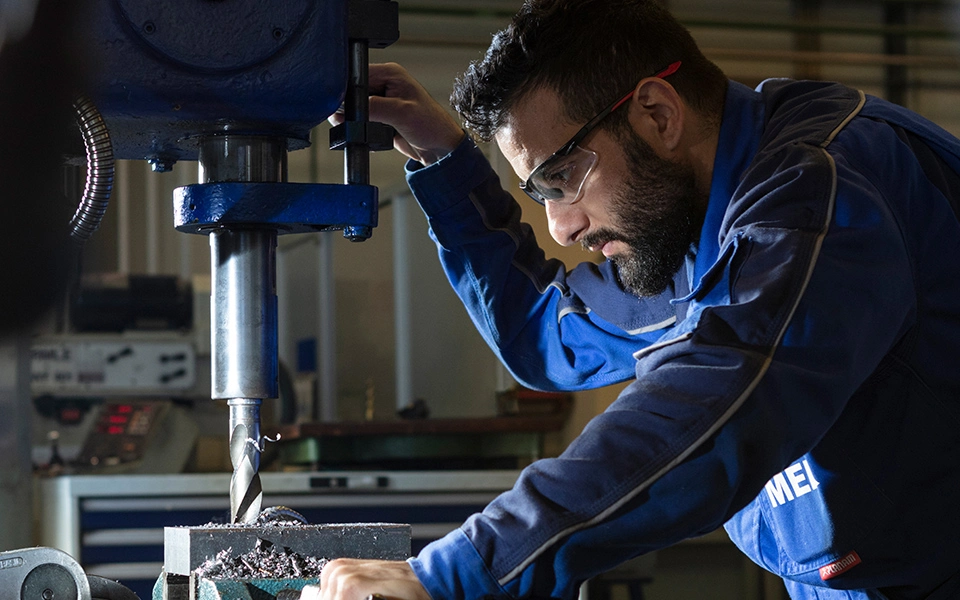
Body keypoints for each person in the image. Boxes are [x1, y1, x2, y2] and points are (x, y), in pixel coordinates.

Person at [303, 0, 960, 598]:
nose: (561, 227)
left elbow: (719, 398)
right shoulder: (692, 230)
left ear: (657, 114)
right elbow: (548, 333)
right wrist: (440, 158)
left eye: (562, 178)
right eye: (541, 194)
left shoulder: (826, 190)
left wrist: (459, 573)